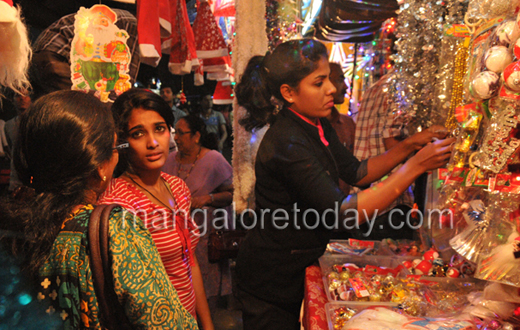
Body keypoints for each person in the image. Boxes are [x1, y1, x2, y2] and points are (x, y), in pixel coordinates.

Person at [234, 39, 453, 330]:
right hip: (271, 277)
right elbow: (343, 212)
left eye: (328, 79)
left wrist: (410, 146)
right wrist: (416, 166)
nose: (332, 89)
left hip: (294, 263)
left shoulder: (315, 123)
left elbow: (356, 172)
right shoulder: (288, 141)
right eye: (319, 82)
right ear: (288, 93)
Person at [1, 90, 198, 329]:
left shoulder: (15, 229)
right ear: (99, 166)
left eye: (160, 128)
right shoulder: (117, 227)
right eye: (115, 147)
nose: (153, 142)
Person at [98, 89, 214, 330]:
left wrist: (207, 325)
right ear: (122, 141)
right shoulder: (119, 203)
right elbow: (128, 295)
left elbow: (189, 262)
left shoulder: (177, 187)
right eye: (138, 133)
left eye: (159, 129)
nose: (152, 142)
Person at [163, 114, 234, 315]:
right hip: (174, 238)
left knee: (204, 292)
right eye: (174, 133)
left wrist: (207, 199)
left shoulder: (213, 159)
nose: (175, 138)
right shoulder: (168, 160)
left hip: (204, 239)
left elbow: (232, 193)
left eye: (181, 133)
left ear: (196, 136)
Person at [352, 71, 419, 240]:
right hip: (390, 198)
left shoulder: (375, 87)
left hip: (365, 195)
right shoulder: (401, 86)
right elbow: (392, 140)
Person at [326, 62, 356, 196]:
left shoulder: (347, 124)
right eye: (339, 79)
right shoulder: (299, 129)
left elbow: (357, 171)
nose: (345, 86)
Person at [4, 89, 32, 192]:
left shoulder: (37, 123)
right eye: (18, 96)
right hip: (16, 181)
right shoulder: (9, 125)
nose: (22, 98)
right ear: (13, 100)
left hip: (34, 178)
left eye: (26, 95)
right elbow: (12, 149)